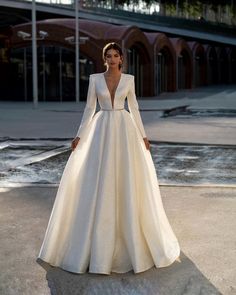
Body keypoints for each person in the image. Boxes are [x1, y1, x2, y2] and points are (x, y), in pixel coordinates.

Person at [37, 42, 180, 275]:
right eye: (108, 56)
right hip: (101, 129)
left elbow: (133, 108)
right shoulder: (95, 79)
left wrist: (144, 136)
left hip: (124, 131)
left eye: (115, 55)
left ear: (122, 58)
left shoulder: (129, 80)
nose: (112, 59)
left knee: (126, 179)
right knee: (98, 178)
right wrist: (79, 135)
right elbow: (89, 108)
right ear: (104, 58)